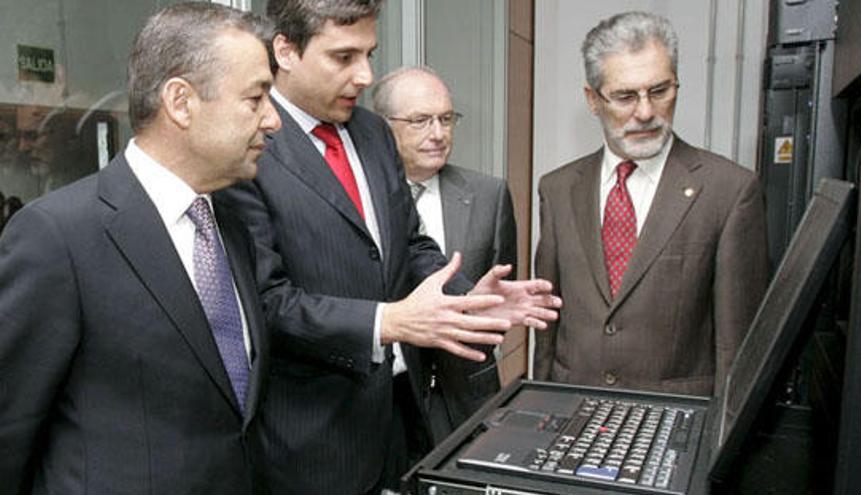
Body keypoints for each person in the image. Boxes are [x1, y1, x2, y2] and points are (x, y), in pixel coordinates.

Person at [215, 1, 561, 493]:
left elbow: (411, 244)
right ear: (285, 50)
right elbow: (265, 303)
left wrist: (465, 301)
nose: (365, 75)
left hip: (399, 420)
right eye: (344, 57)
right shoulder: (248, 149)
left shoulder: (374, 133)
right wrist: (389, 322)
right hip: (311, 444)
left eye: (369, 54)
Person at [0, 3, 281, 494]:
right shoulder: (57, 236)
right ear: (181, 102)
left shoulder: (230, 227)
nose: (273, 120)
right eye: (255, 98)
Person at [534, 11, 769, 397]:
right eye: (625, 96)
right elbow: (548, 327)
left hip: (675, 422)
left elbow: (737, 346)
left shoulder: (730, 191)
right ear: (593, 99)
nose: (645, 112)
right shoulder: (557, 189)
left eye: (659, 91)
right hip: (571, 414)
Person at [371, 66, 516, 442]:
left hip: (464, 394)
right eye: (420, 121)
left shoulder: (489, 195)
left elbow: (500, 298)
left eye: (446, 119)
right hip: (387, 398)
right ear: (382, 127)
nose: (438, 134)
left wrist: (484, 307)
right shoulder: (361, 199)